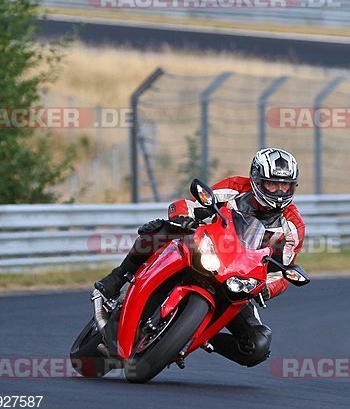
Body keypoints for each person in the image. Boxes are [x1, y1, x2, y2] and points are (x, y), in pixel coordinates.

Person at [94, 148, 305, 367]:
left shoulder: (293, 226)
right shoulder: (235, 188)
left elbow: (283, 271)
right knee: (160, 229)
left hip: (237, 280)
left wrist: (265, 288)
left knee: (258, 345)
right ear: (256, 179)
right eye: (272, 184)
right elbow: (192, 204)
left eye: (285, 185)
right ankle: (118, 277)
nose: (279, 192)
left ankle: (194, 335)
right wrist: (182, 217)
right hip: (205, 249)